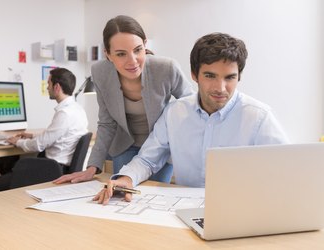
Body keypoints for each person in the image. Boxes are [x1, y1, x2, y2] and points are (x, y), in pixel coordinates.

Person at [93, 32, 290, 204]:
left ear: (239, 76)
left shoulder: (259, 117)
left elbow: (286, 171)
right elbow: (147, 160)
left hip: (241, 208)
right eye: (210, 76)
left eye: (229, 77)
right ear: (194, 75)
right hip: (183, 209)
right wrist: (126, 178)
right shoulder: (174, 113)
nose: (220, 88)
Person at [53, 15, 194, 185]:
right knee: (122, 196)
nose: (132, 61)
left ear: (145, 44)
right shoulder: (100, 72)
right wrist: (92, 167)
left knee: (153, 197)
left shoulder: (166, 69)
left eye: (137, 50)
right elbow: (106, 123)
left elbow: (191, 109)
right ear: (108, 54)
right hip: (125, 145)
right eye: (121, 54)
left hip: (160, 147)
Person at [0, 67, 88, 192]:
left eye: (48, 84)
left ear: (56, 87)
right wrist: (31, 135)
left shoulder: (64, 113)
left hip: (52, 170)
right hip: (60, 167)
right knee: (9, 166)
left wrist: (16, 141)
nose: (47, 88)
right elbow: (58, 135)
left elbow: (38, 146)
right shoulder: (78, 109)